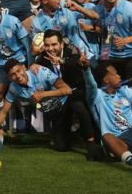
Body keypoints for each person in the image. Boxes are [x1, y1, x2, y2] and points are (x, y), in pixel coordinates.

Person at [34, 30, 102, 159]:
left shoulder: (72, 50)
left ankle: (91, 143)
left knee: (78, 106)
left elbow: (77, 63)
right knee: (61, 146)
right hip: (61, 98)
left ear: (61, 44)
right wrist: (33, 65)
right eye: (47, 45)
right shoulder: (42, 58)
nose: (50, 49)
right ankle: (69, 133)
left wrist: (62, 61)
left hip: (79, 93)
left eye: (54, 45)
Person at [0, 59, 73, 151]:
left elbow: (68, 90)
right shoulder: (13, 88)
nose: (17, 76)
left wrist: (42, 94)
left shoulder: (40, 72)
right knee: (62, 147)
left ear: (24, 67)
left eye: (18, 71)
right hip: (54, 114)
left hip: (67, 105)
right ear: (9, 78)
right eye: (13, 74)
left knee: (78, 108)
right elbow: (4, 112)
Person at [94, 0, 132, 123]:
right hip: (109, 56)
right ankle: (112, 124)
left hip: (131, 56)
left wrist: (125, 40)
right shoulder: (98, 8)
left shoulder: (129, 7)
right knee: (107, 91)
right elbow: (100, 27)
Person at [25, 0, 100, 64]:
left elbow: (96, 16)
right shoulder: (37, 23)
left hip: (84, 56)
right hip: (60, 63)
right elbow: (35, 49)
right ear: (44, 0)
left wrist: (78, 8)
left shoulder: (67, 9)